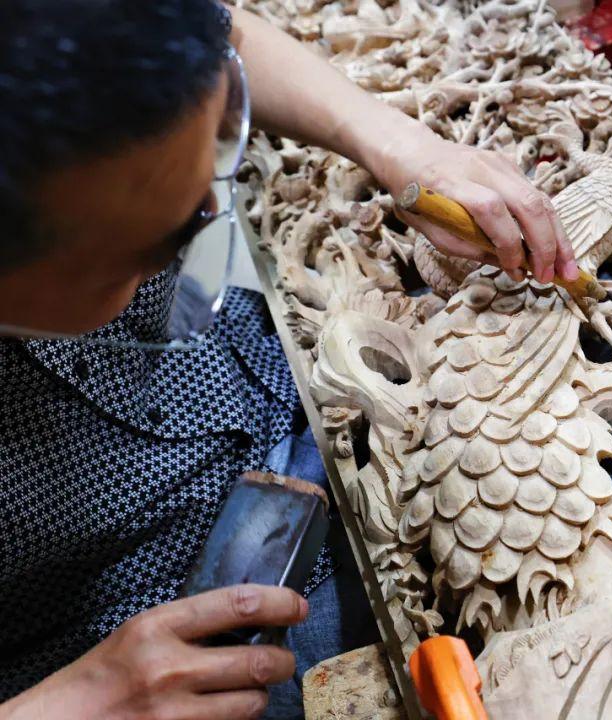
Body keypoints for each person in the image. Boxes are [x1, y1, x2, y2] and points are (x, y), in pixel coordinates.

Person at [0, 1, 578, 718]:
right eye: (162, 240)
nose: (208, 213)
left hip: (268, 387)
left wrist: (395, 142)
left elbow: (220, 35)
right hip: (122, 635)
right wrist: (71, 702)